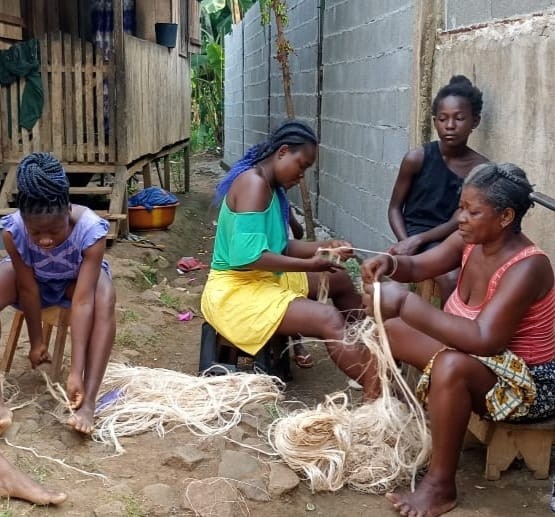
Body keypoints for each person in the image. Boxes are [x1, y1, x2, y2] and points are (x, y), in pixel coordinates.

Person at [362, 162, 555, 517]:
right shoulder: (470, 239)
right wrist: (389, 265)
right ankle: (376, 425)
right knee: (388, 332)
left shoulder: (528, 266)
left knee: (449, 366)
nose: (460, 218)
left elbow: (484, 340)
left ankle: (440, 487)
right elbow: (419, 267)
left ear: (505, 216)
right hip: (482, 363)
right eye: (461, 207)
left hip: (527, 385)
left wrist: (405, 302)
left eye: (473, 211)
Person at [201, 120, 374, 393]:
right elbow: (247, 258)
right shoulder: (253, 185)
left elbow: (281, 248)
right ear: (282, 152)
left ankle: (366, 354)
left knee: (338, 278)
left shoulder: (271, 188)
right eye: (301, 165)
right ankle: (379, 391)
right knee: (327, 318)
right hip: (234, 292)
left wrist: (325, 246)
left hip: (261, 279)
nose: (302, 175)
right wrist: (310, 264)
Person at [0, 152, 116, 435]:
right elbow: (27, 287)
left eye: (53, 230)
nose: (45, 240)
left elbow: (83, 300)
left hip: (74, 285)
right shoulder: (14, 230)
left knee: (104, 295)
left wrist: (75, 371)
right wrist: (37, 342)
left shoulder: (90, 231)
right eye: (35, 233)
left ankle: (88, 402)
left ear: (67, 210)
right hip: (35, 281)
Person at [387, 75, 489, 303]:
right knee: (450, 277)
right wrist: (407, 241)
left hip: (457, 234)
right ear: (434, 121)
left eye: (459, 118)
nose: (450, 126)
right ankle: (447, 334)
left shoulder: (480, 169)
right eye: (443, 119)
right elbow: (394, 208)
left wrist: (418, 241)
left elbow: (458, 218)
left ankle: (469, 328)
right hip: (416, 230)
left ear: (475, 121)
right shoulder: (417, 158)